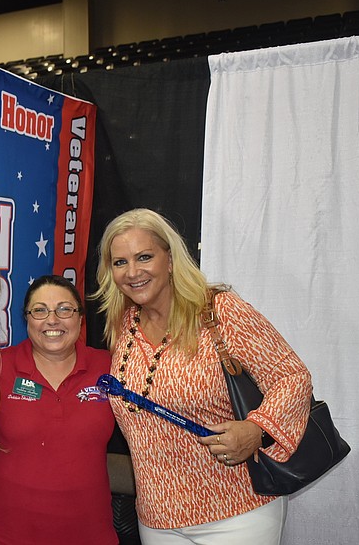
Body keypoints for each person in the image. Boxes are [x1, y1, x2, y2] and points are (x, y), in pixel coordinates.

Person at [91, 208, 313, 545]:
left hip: (237, 513)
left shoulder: (219, 311)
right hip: (157, 518)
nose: (132, 272)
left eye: (144, 256)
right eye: (120, 262)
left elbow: (292, 376)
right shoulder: (122, 322)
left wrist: (257, 429)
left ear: (170, 258)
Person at [0, 274, 118, 545]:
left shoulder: (108, 367)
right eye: (40, 310)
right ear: (27, 319)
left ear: (80, 318)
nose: (52, 320)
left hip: (90, 535)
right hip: (5, 535)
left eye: (64, 309)